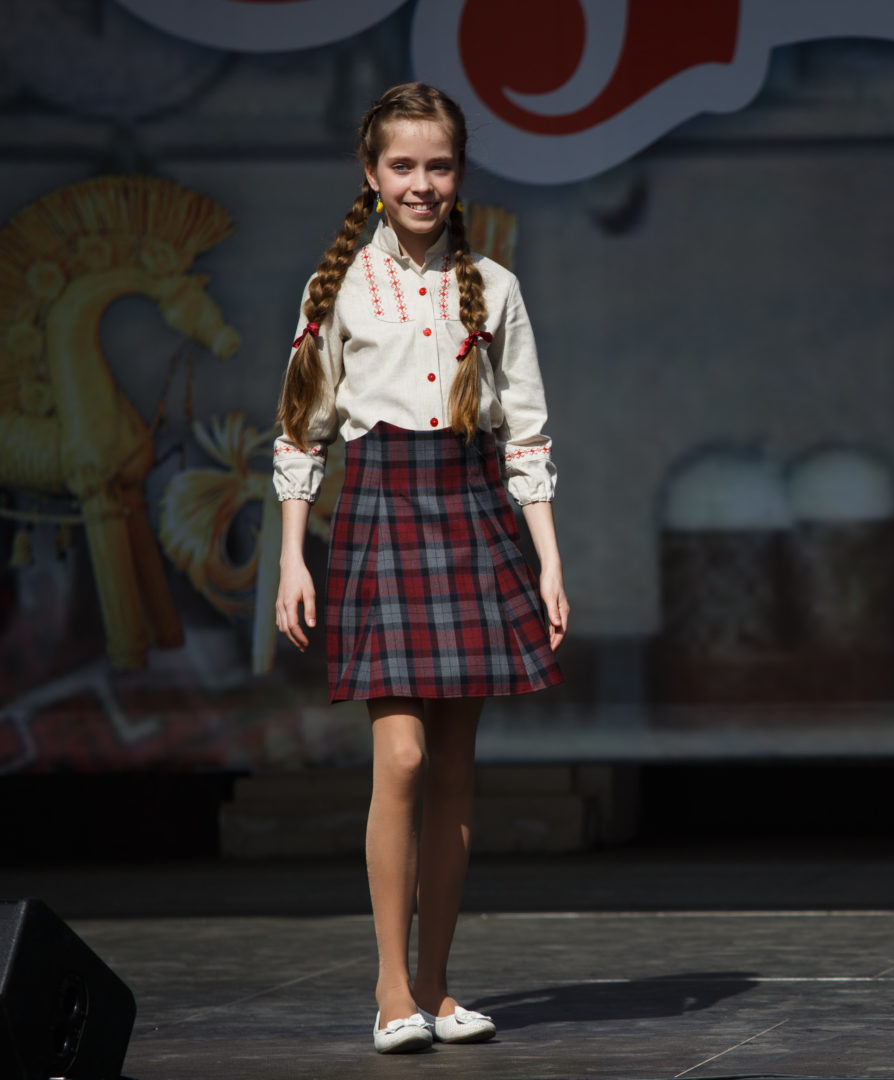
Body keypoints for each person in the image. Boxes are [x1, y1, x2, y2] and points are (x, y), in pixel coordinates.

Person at [272, 82, 567, 1053]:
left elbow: (527, 435)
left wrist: (549, 562)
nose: (421, 184)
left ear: (460, 173)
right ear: (371, 173)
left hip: (471, 516)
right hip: (380, 517)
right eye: (402, 165)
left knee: (453, 771)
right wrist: (292, 559)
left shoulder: (495, 286)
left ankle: (436, 987)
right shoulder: (337, 288)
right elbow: (302, 431)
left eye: (438, 165)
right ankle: (391, 988)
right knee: (398, 757)